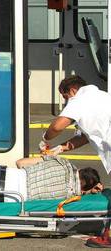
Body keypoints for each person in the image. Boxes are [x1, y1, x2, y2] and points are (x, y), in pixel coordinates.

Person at [39, 75, 111, 248]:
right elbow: (85, 137)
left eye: (64, 97)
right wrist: (60, 148)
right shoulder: (102, 96)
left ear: (71, 90)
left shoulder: (79, 99)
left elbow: (57, 126)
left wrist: (45, 138)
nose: (66, 103)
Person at [0, 156, 103, 202]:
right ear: (85, 188)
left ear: (81, 170)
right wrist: (90, 190)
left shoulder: (60, 161)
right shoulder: (70, 196)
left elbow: (20, 163)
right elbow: (79, 194)